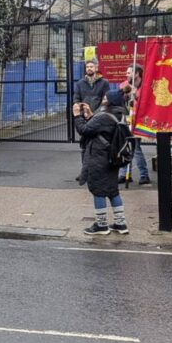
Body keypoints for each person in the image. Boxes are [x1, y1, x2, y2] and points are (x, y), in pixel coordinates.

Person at [73, 90, 129, 235]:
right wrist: (91, 115)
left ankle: (101, 225)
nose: (103, 99)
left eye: (105, 97)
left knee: (97, 190)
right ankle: (120, 224)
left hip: (99, 158)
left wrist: (77, 115)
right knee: (113, 191)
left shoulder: (104, 116)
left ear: (111, 101)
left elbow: (84, 130)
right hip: (112, 158)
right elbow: (102, 129)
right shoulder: (120, 114)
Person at [118, 64, 151, 185]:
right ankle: (124, 174)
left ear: (137, 74)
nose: (126, 74)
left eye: (129, 72)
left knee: (135, 148)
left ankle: (144, 175)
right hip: (127, 119)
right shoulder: (124, 84)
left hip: (139, 120)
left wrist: (135, 93)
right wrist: (124, 94)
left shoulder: (145, 86)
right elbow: (119, 99)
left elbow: (145, 102)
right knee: (124, 146)